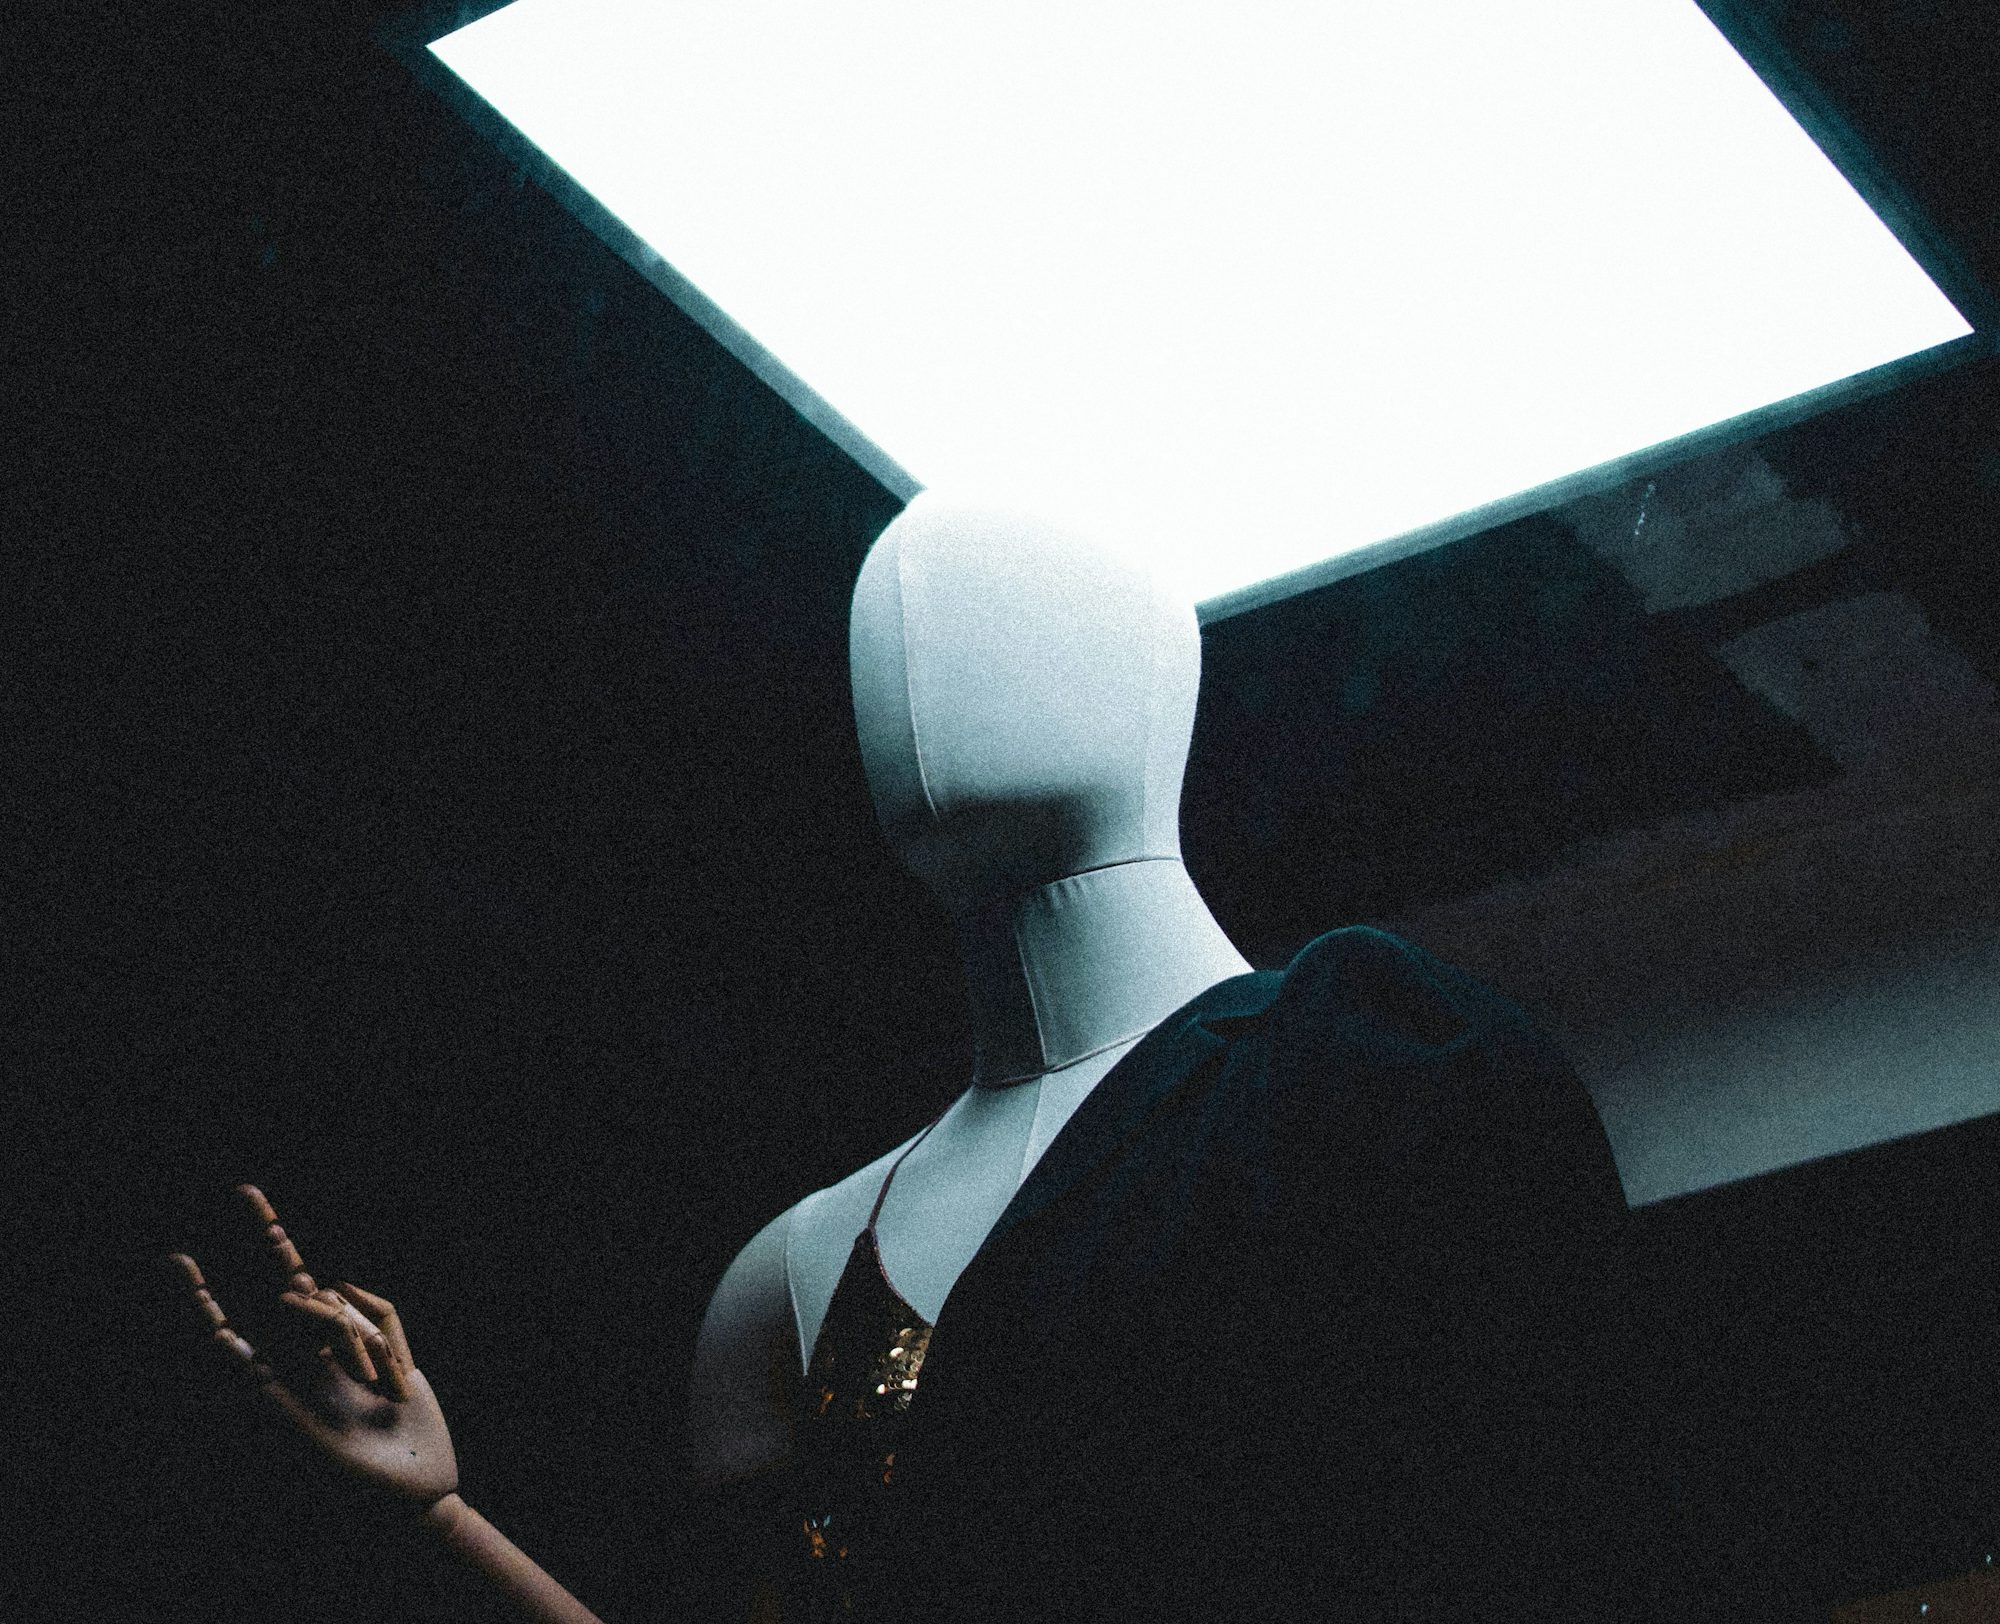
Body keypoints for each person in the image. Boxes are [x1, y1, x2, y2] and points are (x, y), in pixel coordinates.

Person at [170, 495, 1649, 1622]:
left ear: (1156, 683)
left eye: (1004, 625)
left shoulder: (1379, 1072)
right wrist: (440, 1516)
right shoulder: (792, 1272)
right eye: (888, 641)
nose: (927, 674)